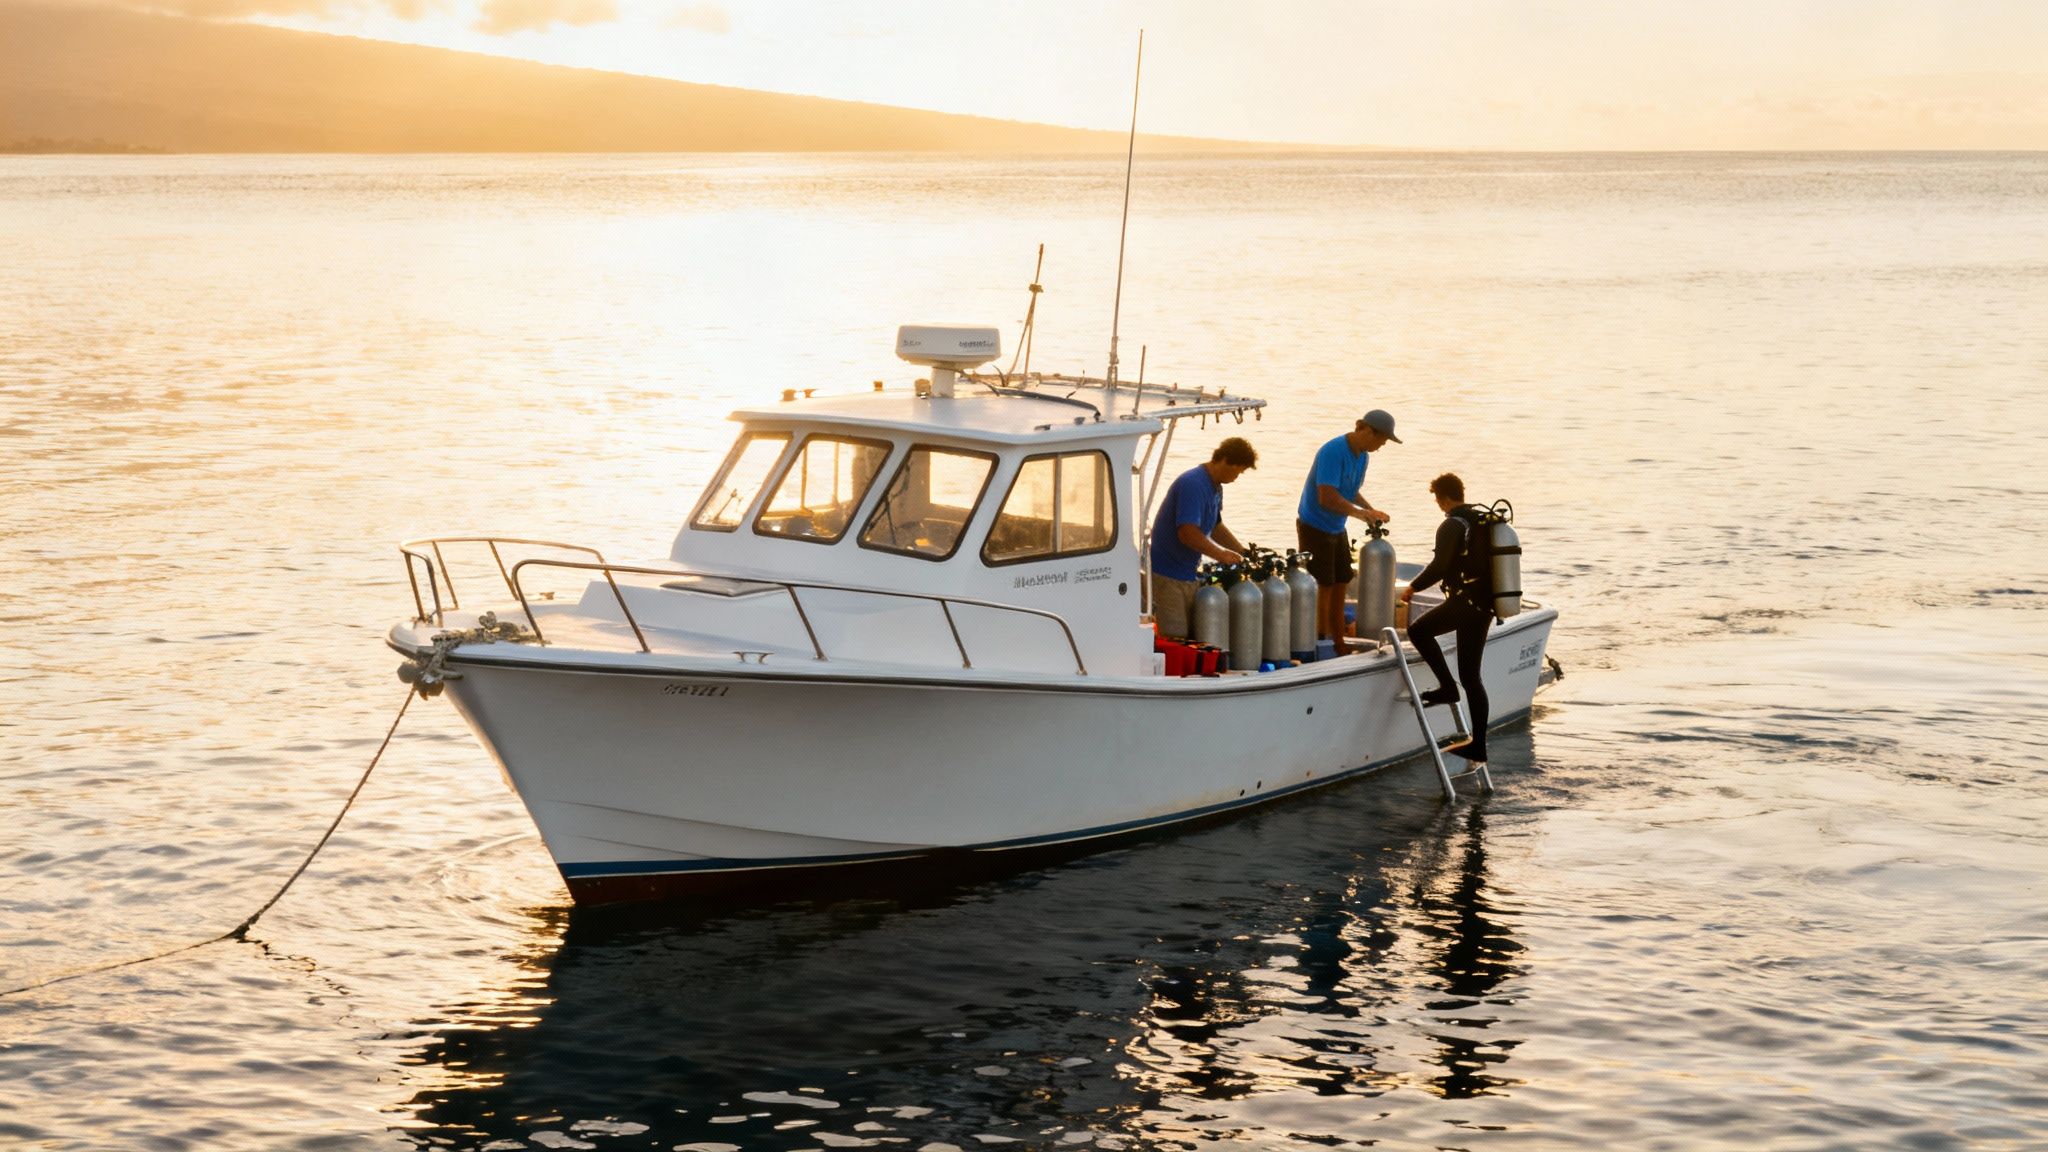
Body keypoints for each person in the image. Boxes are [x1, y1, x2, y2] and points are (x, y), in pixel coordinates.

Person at [1400, 472, 1493, 766]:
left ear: (1443, 498)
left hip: (1465, 602)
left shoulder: (1451, 524)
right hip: (1485, 605)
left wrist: (1413, 587)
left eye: (1437, 499)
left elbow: (1440, 566)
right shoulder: (1481, 520)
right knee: (1472, 676)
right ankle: (1478, 745)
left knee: (1418, 631)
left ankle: (1447, 688)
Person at [1295, 409, 1399, 642]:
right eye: (1382, 440)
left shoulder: (1363, 455)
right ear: (1366, 431)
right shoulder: (1333, 451)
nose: (1382, 446)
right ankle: (1321, 640)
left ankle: (1337, 638)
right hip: (1315, 526)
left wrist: (1370, 511)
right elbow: (1327, 497)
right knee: (1324, 585)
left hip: (1337, 526)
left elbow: (1350, 491)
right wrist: (1361, 514)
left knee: (1342, 579)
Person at [1148, 437, 1256, 639]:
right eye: (1238, 471)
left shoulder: (1216, 487)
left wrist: (1242, 552)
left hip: (1188, 572)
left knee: (1194, 635)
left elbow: (1215, 526)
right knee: (1176, 638)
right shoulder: (1194, 484)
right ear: (1224, 460)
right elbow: (1187, 533)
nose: (1237, 477)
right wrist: (1220, 554)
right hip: (1168, 574)